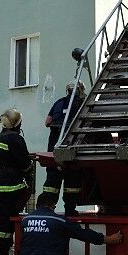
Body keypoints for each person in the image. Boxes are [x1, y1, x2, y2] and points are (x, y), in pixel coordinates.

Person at [0, 108, 33, 255]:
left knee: (2, 224)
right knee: (9, 224)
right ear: (17, 123)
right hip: (11, 185)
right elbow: (24, 163)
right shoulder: (16, 139)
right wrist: (29, 170)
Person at [43, 82, 85, 215]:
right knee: (72, 181)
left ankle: (47, 208)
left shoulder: (59, 102)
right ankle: (70, 210)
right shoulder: (83, 103)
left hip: (54, 149)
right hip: (73, 148)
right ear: (80, 90)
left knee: (52, 182)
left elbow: (47, 122)